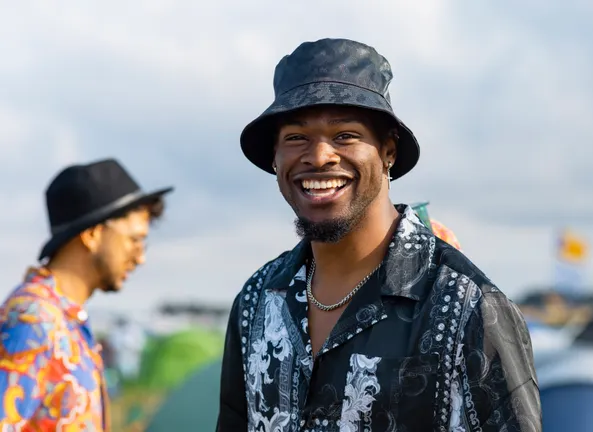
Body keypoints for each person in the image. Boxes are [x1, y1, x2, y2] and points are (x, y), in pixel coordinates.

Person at [217, 38, 541, 431]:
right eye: (296, 138)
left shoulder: (467, 307)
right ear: (274, 157)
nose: (319, 157)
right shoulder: (258, 301)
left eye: (345, 136)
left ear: (388, 150)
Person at [0, 158, 172, 431]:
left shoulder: (67, 319)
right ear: (92, 234)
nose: (140, 258)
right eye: (134, 240)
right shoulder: (34, 320)